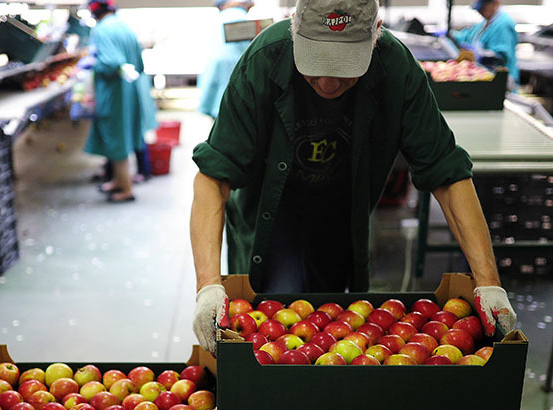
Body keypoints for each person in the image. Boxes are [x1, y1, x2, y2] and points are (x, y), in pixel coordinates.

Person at [190, 0, 517, 353]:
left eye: (346, 66)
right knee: (273, 323)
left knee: (326, 326)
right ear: (294, 29)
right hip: (272, 211)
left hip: (340, 211)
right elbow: (214, 176)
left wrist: (488, 283)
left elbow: (446, 172)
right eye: (314, 63)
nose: (328, 83)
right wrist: (208, 286)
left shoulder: (396, 68)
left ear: (375, 33)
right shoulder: (265, 58)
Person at [84, 0, 156, 203]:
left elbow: (110, 63)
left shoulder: (102, 30)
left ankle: (126, 189)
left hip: (114, 92)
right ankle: (117, 180)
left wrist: (93, 65)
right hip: (129, 90)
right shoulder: (125, 26)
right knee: (124, 134)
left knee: (117, 138)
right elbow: (139, 65)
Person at [198, 0, 255, 119]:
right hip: (235, 75)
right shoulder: (239, 18)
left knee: (219, 120)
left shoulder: (216, 21)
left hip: (215, 74)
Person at [452, 0, 519, 87]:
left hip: (500, 83)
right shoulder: (484, 23)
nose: (480, 12)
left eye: (483, 7)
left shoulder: (503, 24)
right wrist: (450, 34)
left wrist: (480, 55)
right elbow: (467, 36)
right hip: (484, 80)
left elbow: (501, 56)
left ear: (495, 3)